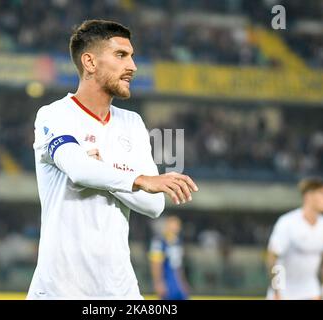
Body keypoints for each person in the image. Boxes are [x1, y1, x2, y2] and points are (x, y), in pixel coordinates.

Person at [27, 20, 198, 300]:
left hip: (119, 290)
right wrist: (137, 178)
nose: (132, 66)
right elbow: (78, 170)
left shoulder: (131, 122)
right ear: (90, 62)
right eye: (121, 55)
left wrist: (105, 171)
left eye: (131, 56)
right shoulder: (54, 115)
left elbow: (154, 204)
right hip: (61, 290)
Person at [266, 177, 323, 300]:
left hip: (311, 291)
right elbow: (273, 258)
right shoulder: (287, 223)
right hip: (285, 292)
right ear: (309, 196)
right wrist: (277, 291)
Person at [149, 215, 190, 300]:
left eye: (177, 225)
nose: (175, 227)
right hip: (167, 281)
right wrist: (158, 282)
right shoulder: (159, 241)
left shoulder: (177, 241)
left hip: (177, 282)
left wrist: (183, 282)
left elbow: (178, 266)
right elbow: (155, 264)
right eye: (173, 224)